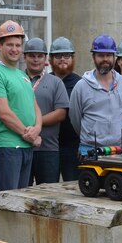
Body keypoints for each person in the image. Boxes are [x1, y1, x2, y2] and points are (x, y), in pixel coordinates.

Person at [0, 20, 42, 192]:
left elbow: (35, 107)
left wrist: (37, 128)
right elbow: (4, 113)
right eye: (9, 45)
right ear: (0, 46)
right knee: (7, 202)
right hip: (6, 147)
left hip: (26, 146)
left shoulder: (22, 75)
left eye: (18, 45)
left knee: (20, 203)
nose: (14, 49)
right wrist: (29, 134)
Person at [69, 35, 122, 157]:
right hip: (89, 150)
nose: (105, 59)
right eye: (100, 55)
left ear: (114, 57)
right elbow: (75, 119)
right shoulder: (81, 86)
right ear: (93, 57)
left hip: (117, 150)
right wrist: (90, 134)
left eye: (108, 55)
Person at [23, 37, 69, 185]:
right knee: (21, 194)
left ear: (46, 58)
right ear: (24, 57)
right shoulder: (15, 79)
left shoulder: (56, 82)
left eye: (40, 56)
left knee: (48, 197)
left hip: (48, 149)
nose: (36, 60)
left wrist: (36, 125)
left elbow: (61, 113)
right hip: (21, 146)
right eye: (32, 55)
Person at [48, 36, 83, 181]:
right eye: (58, 56)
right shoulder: (45, 81)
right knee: (48, 189)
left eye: (67, 55)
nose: (63, 59)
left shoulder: (81, 84)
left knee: (73, 186)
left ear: (72, 58)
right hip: (49, 145)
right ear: (51, 59)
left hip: (72, 146)